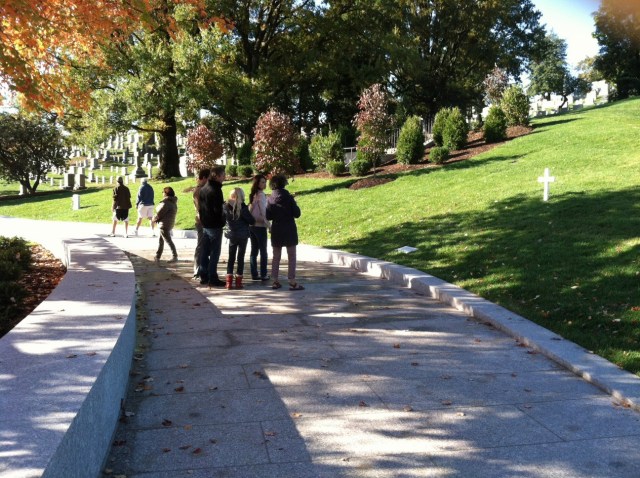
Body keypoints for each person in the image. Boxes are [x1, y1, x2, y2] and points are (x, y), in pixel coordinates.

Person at [266, 174, 304, 291]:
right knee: (291, 256)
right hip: (289, 229)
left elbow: (268, 216)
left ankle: (275, 281)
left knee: (276, 256)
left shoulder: (270, 199)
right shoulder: (288, 197)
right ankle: (292, 281)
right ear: (283, 183)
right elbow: (297, 213)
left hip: (277, 229)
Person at [198, 165, 226, 287]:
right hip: (214, 225)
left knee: (205, 251)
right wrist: (223, 218)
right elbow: (217, 210)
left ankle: (203, 274)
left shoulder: (204, 188)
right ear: (217, 176)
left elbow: (201, 208)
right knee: (215, 252)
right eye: (223, 175)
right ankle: (212, 277)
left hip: (206, 224)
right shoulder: (216, 190)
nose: (225, 177)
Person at [223, 188, 255, 289]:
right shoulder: (243, 207)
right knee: (240, 257)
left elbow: (223, 219)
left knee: (231, 257)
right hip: (243, 235)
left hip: (232, 235)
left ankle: (228, 282)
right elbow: (252, 221)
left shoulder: (225, 206)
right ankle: (238, 282)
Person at [249, 174, 270, 281]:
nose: (264, 184)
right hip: (260, 226)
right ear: (257, 184)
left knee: (254, 251)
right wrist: (269, 225)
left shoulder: (254, 194)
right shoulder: (261, 195)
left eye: (265, 182)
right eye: (262, 182)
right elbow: (263, 211)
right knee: (263, 251)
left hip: (252, 225)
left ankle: (254, 273)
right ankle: (263, 274)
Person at [192, 168, 210, 280]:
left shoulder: (202, 189)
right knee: (201, 246)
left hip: (204, 220)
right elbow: (200, 208)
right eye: (209, 179)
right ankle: (198, 269)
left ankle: (203, 269)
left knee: (204, 246)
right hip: (202, 221)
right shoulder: (199, 191)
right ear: (204, 178)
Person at [153, 187, 178, 263]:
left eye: (163, 192)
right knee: (161, 240)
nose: (162, 193)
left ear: (166, 193)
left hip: (164, 224)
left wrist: (154, 219)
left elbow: (159, 213)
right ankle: (158, 255)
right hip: (168, 223)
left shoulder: (166, 203)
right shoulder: (173, 202)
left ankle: (175, 256)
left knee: (168, 241)